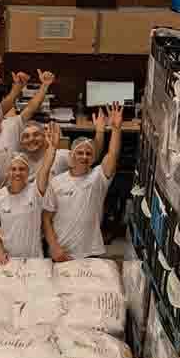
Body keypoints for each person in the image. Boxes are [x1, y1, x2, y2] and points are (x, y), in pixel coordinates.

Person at [44, 103, 124, 261]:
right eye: (79, 153)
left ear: (93, 158)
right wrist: (54, 247)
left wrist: (116, 129)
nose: (84, 156)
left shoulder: (98, 178)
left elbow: (112, 155)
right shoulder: (57, 182)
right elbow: (46, 219)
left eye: (88, 153)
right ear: (71, 156)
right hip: (61, 251)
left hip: (90, 251)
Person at [0, 70, 56, 185]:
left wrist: (45, 85)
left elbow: (31, 108)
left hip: (18, 189)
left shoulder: (12, 126)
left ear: (1, 118)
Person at [0, 123, 62, 261]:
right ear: (7, 172)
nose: (17, 173)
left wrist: (52, 147)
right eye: (13, 169)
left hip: (34, 258)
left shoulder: (36, 190)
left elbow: (45, 169)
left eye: (22, 169)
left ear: (28, 172)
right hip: (6, 258)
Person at [20, 115, 104, 183]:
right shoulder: (19, 161)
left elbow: (93, 156)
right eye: (26, 136)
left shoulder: (60, 156)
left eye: (36, 135)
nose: (31, 139)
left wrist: (100, 131)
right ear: (21, 142)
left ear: (44, 137)